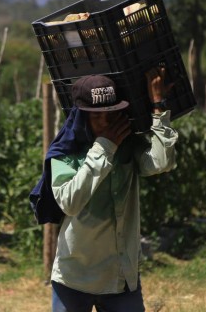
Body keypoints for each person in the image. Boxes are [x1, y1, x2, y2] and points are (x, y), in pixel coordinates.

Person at [46, 67, 178, 312]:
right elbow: (69, 202)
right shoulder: (65, 153)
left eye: (110, 115)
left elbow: (161, 162)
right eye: (96, 117)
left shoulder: (127, 145)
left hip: (120, 277)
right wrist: (103, 148)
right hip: (74, 277)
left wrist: (158, 105)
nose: (105, 123)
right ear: (81, 117)